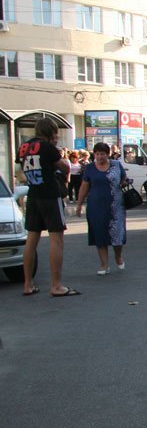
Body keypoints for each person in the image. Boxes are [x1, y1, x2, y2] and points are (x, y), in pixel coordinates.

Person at [15, 118, 78, 297]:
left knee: (31, 239)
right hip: (50, 195)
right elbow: (65, 167)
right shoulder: (47, 147)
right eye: (55, 132)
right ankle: (56, 285)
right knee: (56, 239)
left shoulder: (24, 147)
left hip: (33, 195)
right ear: (50, 132)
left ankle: (28, 284)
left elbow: (20, 171)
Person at [75, 142, 128, 275]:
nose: (99, 156)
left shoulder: (116, 165)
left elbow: (124, 178)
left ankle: (118, 256)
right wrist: (79, 204)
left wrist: (124, 182)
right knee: (99, 234)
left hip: (116, 206)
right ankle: (104, 264)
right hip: (96, 206)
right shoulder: (90, 168)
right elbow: (84, 186)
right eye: (97, 154)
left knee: (117, 234)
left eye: (102, 154)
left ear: (108, 154)